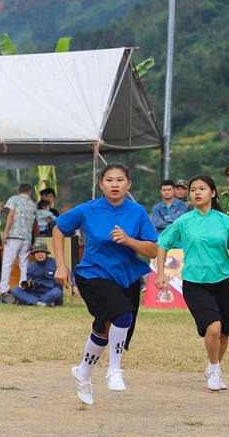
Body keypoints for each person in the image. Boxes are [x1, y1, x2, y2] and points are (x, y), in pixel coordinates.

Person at [53, 163, 158, 405]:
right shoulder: (87, 209)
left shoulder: (137, 211)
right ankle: (114, 370)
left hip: (126, 277)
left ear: (128, 185)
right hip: (93, 274)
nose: (114, 184)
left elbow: (152, 249)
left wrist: (130, 240)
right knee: (122, 316)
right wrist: (61, 265)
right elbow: (59, 228)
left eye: (120, 180)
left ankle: (83, 373)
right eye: (109, 180)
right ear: (101, 185)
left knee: (104, 328)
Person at [156, 174, 229, 392]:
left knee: (226, 331)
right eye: (193, 189)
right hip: (195, 283)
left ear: (213, 193)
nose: (196, 192)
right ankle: (215, 371)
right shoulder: (185, 221)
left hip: (222, 280)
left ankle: (212, 366)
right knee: (213, 327)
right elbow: (162, 242)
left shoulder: (224, 220)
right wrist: (160, 273)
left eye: (202, 189)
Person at [0, 183, 37, 297]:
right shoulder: (33, 204)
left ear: (18, 191)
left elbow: (11, 215)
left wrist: (5, 232)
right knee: (24, 264)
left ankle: (4, 289)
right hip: (27, 237)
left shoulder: (14, 199)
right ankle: (23, 287)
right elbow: (36, 224)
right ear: (30, 192)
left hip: (14, 235)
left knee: (7, 262)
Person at [11, 239, 63, 307]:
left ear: (46, 253)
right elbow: (30, 283)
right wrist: (27, 286)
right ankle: (41, 304)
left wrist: (74, 285)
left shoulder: (55, 263)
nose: (39, 254)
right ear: (34, 254)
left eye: (42, 252)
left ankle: (32, 301)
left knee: (57, 292)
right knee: (15, 290)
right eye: (37, 252)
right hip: (36, 292)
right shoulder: (31, 267)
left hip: (51, 293)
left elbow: (69, 273)